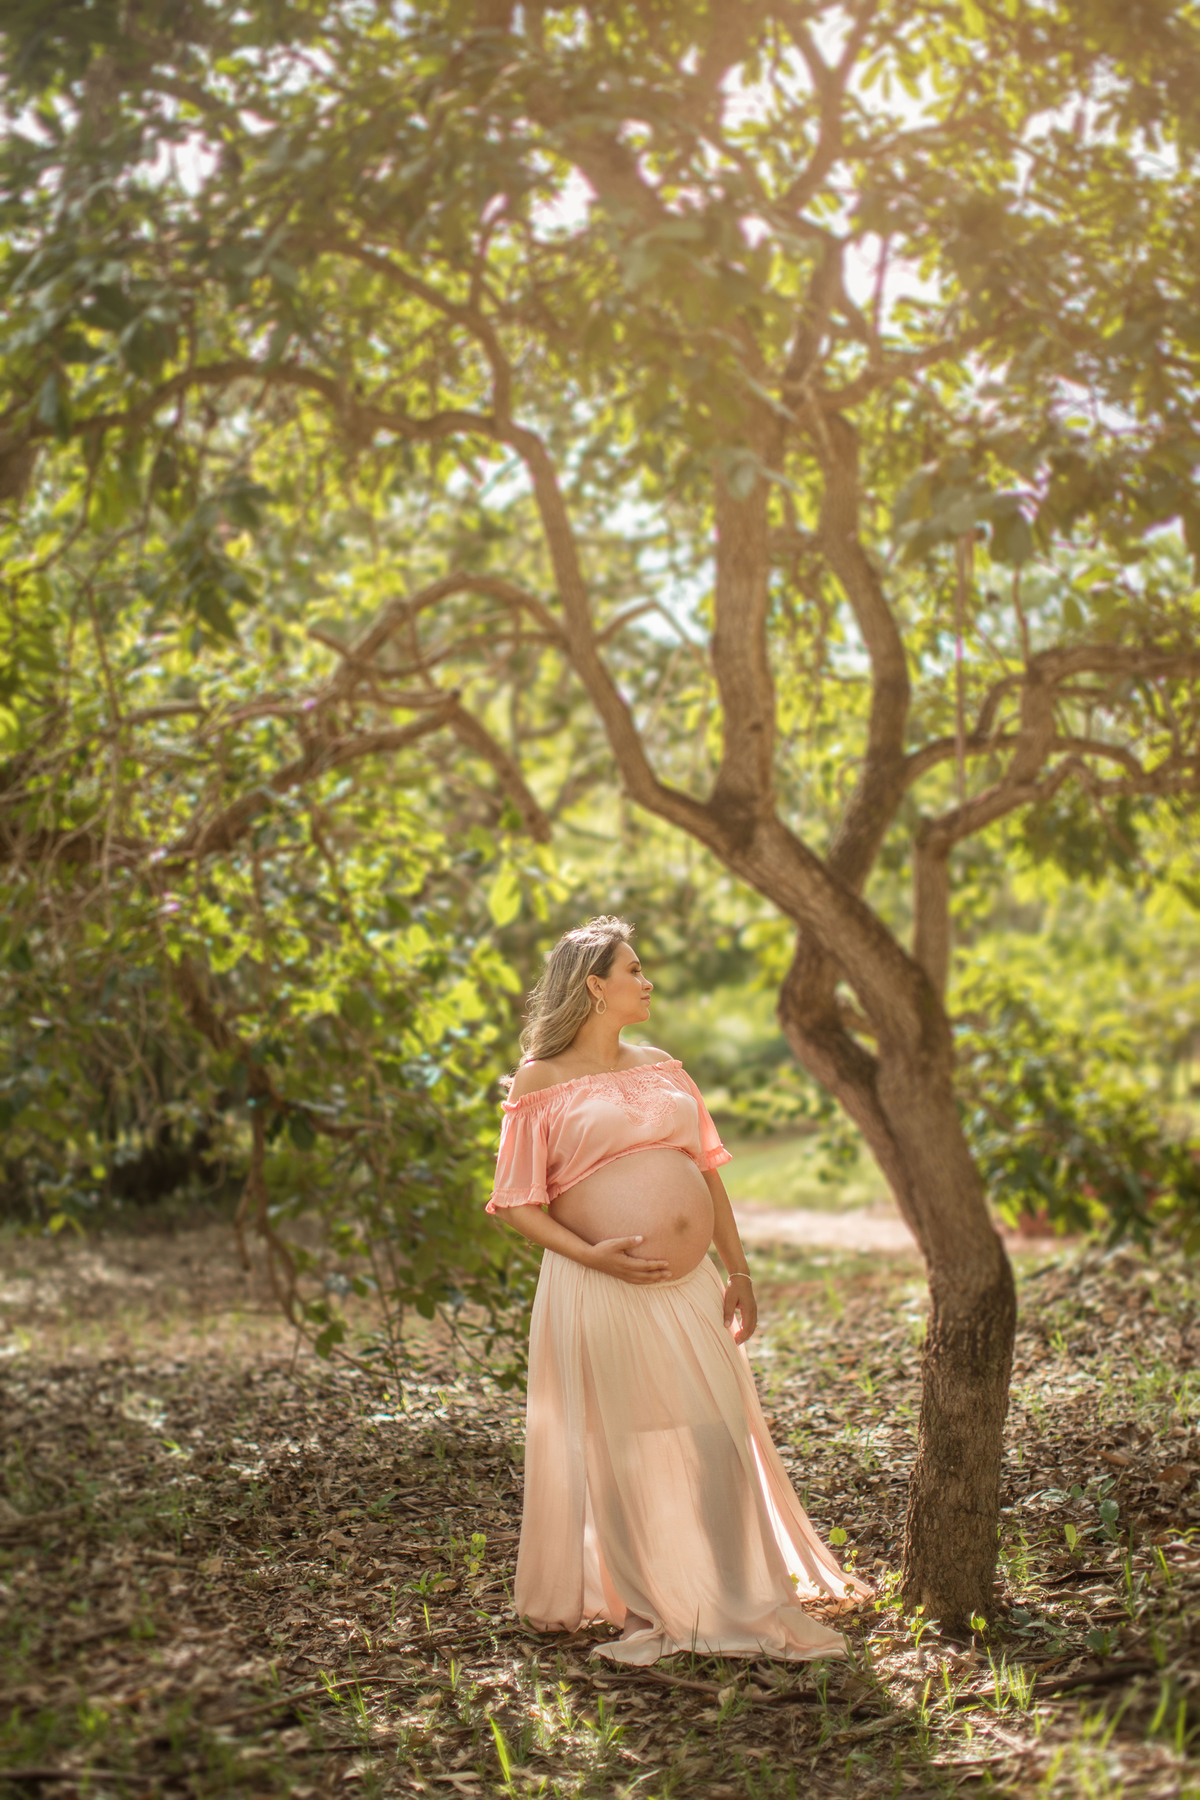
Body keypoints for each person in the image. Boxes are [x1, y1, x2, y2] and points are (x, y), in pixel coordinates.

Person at [487, 915, 871, 1665]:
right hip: (598, 1285)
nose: (646, 981)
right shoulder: (542, 1080)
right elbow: (517, 1203)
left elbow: (707, 1174)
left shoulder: (663, 1065)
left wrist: (739, 1270)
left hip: (689, 1286)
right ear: (595, 986)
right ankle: (649, 1603)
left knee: (718, 1432)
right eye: (633, 970)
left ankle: (735, 1590)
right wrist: (593, 1254)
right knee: (624, 1445)